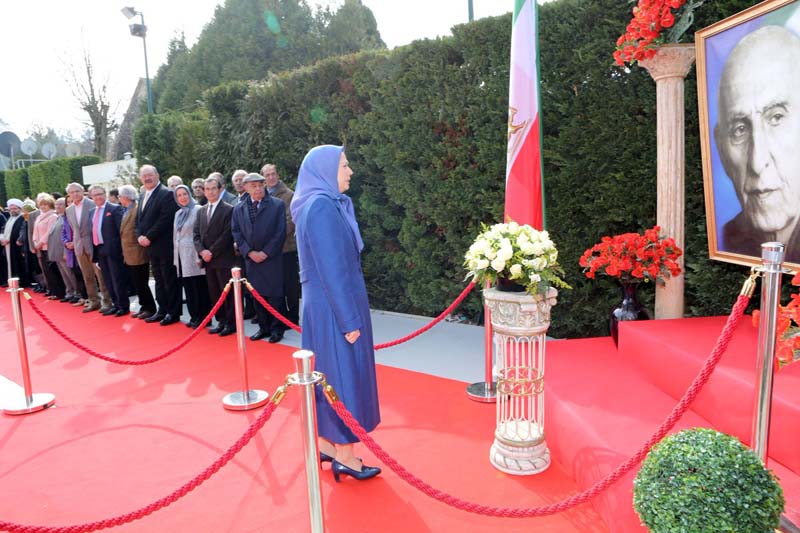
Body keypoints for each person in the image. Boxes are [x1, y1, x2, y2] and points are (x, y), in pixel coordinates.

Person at [291, 145, 380, 482]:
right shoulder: (322, 207)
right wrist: (349, 320)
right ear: (325, 170)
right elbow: (332, 270)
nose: (350, 171)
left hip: (327, 305)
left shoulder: (317, 204)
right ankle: (345, 455)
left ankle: (329, 446)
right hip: (335, 308)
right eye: (344, 165)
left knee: (330, 377)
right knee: (342, 379)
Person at [716, 25, 800, 263]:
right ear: (721, 149)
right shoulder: (728, 238)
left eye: (776, 118)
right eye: (740, 129)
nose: (756, 161)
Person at [231, 173, 286, 342]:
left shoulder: (277, 205)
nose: (257, 189)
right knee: (257, 295)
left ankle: (277, 329)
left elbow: (280, 232)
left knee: (275, 295)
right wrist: (249, 252)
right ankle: (264, 327)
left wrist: (266, 252)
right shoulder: (239, 208)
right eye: (253, 186)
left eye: (260, 185)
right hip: (251, 260)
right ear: (245, 188)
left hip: (272, 258)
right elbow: (236, 233)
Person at [136, 165, 181, 325]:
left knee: (169, 281)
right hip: (150, 247)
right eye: (144, 176)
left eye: (150, 175)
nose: (147, 178)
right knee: (159, 281)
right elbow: (139, 220)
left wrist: (148, 236)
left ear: (157, 175)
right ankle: (162, 310)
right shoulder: (142, 195)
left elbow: (166, 219)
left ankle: (173, 313)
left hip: (164, 245)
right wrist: (139, 236)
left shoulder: (166, 194)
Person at [194, 175, 237, 336]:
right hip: (208, 260)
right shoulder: (201, 210)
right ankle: (221, 320)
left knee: (227, 293)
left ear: (220, 189)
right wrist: (202, 251)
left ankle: (231, 323)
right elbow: (196, 234)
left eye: (213, 188)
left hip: (223, 259)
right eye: (207, 189)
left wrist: (211, 251)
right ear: (204, 192)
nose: (210, 192)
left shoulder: (228, 209)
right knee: (214, 293)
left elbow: (227, 235)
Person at [263, 163, 300, 330]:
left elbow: (289, 221)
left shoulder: (289, 195)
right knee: (277, 286)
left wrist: (271, 241)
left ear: (278, 175)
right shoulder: (262, 196)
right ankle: (281, 317)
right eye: (267, 175)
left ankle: (293, 318)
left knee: (290, 286)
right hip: (270, 252)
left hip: (286, 249)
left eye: (273, 174)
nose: (270, 177)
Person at [65, 183, 112, 313]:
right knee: (87, 276)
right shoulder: (69, 210)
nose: (75, 194)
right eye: (72, 192)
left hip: (93, 244)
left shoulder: (92, 204)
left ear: (83, 191)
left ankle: (107, 302)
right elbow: (74, 229)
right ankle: (93, 301)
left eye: (77, 191)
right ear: (69, 194)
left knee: (100, 275)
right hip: (79, 247)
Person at [173, 184, 211, 328]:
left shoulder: (198, 210)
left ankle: (204, 317)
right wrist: (175, 257)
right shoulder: (178, 213)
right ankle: (194, 316)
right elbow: (174, 236)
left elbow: (202, 234)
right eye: (179, 195)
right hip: (182, 255)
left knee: (199, 286)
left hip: (194, 254)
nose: (182, 197)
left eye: (184, 194)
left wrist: (200, 255)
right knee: (188, 287)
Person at [118, 185, 157, 319]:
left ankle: (150, 308)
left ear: (126, 197)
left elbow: (138, 229)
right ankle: (143, 306)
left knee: (141, 282)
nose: (119, 198)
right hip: (129, 252)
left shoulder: (136, 209)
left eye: (120, 196)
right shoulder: (126, 210)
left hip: (137, 251)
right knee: (137, 283)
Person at [89, 186, 129, 316]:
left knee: (117, 279)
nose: (98, 197)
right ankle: (115, 304)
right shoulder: (91, 212)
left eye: (100, 194)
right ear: (91, 197)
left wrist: (121, 250)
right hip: (99, 250)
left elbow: (121, 231)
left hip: (113, 250)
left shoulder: (114, 208)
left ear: (105, 194)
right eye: (94, 195)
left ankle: (123, 306)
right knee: (107, 280)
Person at [32, 194, 66, 300]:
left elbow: (49, 232)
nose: (43, 207)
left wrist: (40, 243)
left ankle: (59, 292)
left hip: (49, 246)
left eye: (45, 205)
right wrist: (35, 242)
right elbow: (35, 231)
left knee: (53, 270)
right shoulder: (39, 216)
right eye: (41, 205)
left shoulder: (53, 216)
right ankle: (52, 290)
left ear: (50, 205)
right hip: (40, 247)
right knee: (46, 271)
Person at [48, 198, 78, 302]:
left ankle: (76, 292)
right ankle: (69, 291)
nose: (58, 206)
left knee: (70, 273)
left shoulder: (67, 217)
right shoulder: (58, 217)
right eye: (56, 204)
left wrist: (66, 251)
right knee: (64, 274)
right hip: (57, 252)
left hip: (65, 251)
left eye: (61, 204)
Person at [1, 199, 27, 285]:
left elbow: (22, 231)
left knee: (19, 263)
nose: (13, 210)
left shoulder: (22, 217)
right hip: (7, 245)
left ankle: (22, 281)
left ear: (20, 209)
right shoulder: (10, 218)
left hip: (17, 245)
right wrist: (2, 239)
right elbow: (3, 229)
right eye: (11, 209)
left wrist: (11, 239)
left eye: (15, 208)